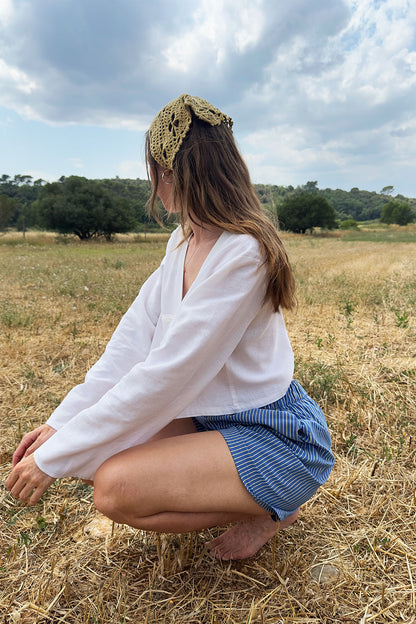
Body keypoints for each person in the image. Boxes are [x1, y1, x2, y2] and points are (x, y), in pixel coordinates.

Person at [5, 94, 334, 561]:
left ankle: (273, 506)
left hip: (273, 434)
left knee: (114, 490)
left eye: (157, 170)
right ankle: (247, 495)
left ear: (177, 173)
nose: (155, 186)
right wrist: (61, 425)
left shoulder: (243, 253)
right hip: (207, 420)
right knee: (92, 454)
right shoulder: (181, 243)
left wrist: (52, 460)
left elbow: (168, 375)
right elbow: (128, 348)